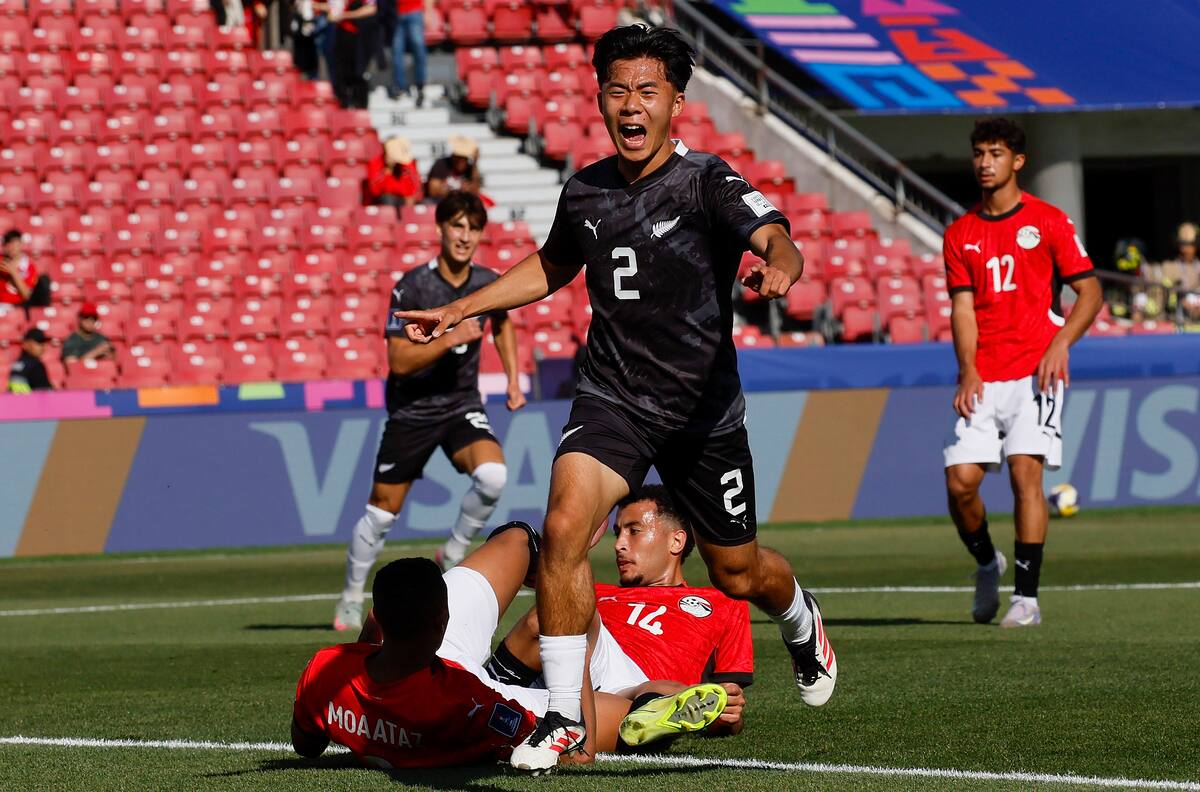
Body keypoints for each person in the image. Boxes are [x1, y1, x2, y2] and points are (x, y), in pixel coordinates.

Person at [395, 25, 836, 772]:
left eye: (648, 92)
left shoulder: (707, 181)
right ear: (601, 99)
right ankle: (566, 717)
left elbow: (774, 235)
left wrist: (779, 266)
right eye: (618, 90)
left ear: (676, 104)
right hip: (613, 399)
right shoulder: (587, 190)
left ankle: (799, 617)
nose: (631, 106)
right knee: (565, 525)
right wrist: (465, 307)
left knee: (737, 572)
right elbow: (551, 266)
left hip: (702, 415)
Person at [294, 522, 733, 768]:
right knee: (519, 539)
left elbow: (307, 743)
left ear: (380, 618)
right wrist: (570, 630)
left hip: (415, 664)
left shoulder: (325, 669)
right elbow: (578, 752)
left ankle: (646, 697)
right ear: (442, 616)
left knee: (515, 539)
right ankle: (649, 701)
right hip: (462, 683)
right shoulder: (468, 702)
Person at [333, 191, 527, 632]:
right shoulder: (414, 286)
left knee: (494, 476)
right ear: (440, 229)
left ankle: (455, 552)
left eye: (473, 228)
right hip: (412, 412)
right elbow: (399, 361)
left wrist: (514, 378)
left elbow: (503, 324)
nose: (465, 236)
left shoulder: (487, 282)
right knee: (381, 514)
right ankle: (350, 596)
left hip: (461, 406)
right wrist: (452, 338)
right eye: (457, 226)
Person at [942, 118, 1102, 629]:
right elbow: (963, 310)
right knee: (960, 483)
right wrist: (967, 371)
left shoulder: (1049, 221)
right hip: (985, 377)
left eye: (995, 153)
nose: (985, 162)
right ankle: (988, 564)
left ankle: (1027, 599)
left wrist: (1060, 345)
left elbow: (1090, 291)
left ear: (1018, 161)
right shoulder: (960, 233)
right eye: (979, 153)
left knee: (1024, 474)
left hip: (1036, 373)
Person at [487, 485, 752, 736]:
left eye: (634, 531)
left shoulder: (723, 602)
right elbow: (541, 571)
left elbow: (730, 696)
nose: (619, 544)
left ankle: (663, 714)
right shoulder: (595, 591)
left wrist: (727, 714)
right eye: (618, 533)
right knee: (566, 605)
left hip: (637, 694)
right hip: (571, 667)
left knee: (661, 690)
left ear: (676, 541)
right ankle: (483, 686)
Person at [1144, 222, 1200, 323]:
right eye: (1182, 244)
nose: (1184, 249)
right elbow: (1159, 297)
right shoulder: (1169, 267)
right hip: (1178, 321)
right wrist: (1181, 300)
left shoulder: (1198, 266)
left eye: (1189, 245)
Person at [329, 0, 376, 109]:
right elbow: (331, 15)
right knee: (342, 72)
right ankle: (344, 102)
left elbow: (371, 9)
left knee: (359, 72)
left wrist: (346, 15)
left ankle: (360, 105)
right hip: (342, 37)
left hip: (360, 38)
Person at [366, 137, 423, 209]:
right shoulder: (375, 163)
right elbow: (375, 190)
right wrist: (388, 169)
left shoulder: (407, 163)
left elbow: (416, 187)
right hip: (385, 200)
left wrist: (412, 197)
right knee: (388, 200)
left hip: (405, 199)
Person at [389, 0, 428, 105]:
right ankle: (399, 87)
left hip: (414, 12)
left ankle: (420, 85)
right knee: (396, 51)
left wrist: (427, 12)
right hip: (397, 15)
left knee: (419, 48)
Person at [425, 136, 482, 201]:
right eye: (459, 157)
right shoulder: (441, 165)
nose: (461, 161)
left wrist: (475, 164)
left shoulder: (470, 168)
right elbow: (433, 192)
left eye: (464, 158)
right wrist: (456, 191)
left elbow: (475, 192)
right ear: (454, 156)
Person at [61, 302, 113, 367]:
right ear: (80, 318)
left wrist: (109, 357)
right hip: (81, 376)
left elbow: (112, 363)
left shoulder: (102, 339)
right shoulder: (72, 341)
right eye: (86, 317)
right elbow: (72, 366)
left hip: (101, 374)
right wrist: (97, 352)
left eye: (94, 318)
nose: (90, 320)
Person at [1, 229, 37, 313]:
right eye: (8, 244)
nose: (12, 247)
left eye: (14, 244)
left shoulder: (29, 267)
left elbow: (27, 295)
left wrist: (13, 272)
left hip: (16, 309)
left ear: (21, 244)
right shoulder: (1, 261)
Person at [8, 327, 53, 393]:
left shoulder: (17, 364)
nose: (43, 346)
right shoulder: (36, 365)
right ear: (25, 344)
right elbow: (43, 394)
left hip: (16, 401)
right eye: (38, 342)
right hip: (31, 402)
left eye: (43, 342)